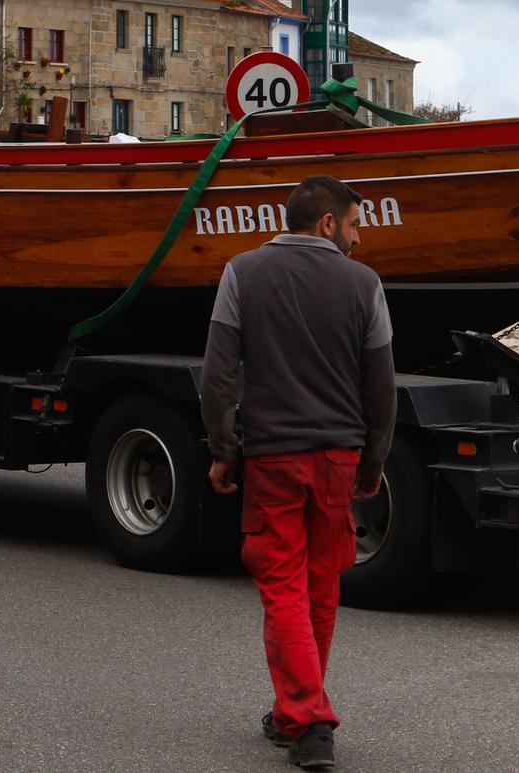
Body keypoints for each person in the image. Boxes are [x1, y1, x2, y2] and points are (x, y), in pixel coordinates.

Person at [200, 174, 396, 771]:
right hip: (338, 457)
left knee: (283, 585)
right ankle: (296, 714)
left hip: (274, 457)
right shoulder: (365, 285)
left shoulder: (242, 272)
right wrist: (374, 460)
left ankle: (307, 718)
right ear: (328, 222)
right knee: (320, 587)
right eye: (356, 225)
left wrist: (223, 447)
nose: (360, 240)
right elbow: (380, 386)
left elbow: (218, 373)